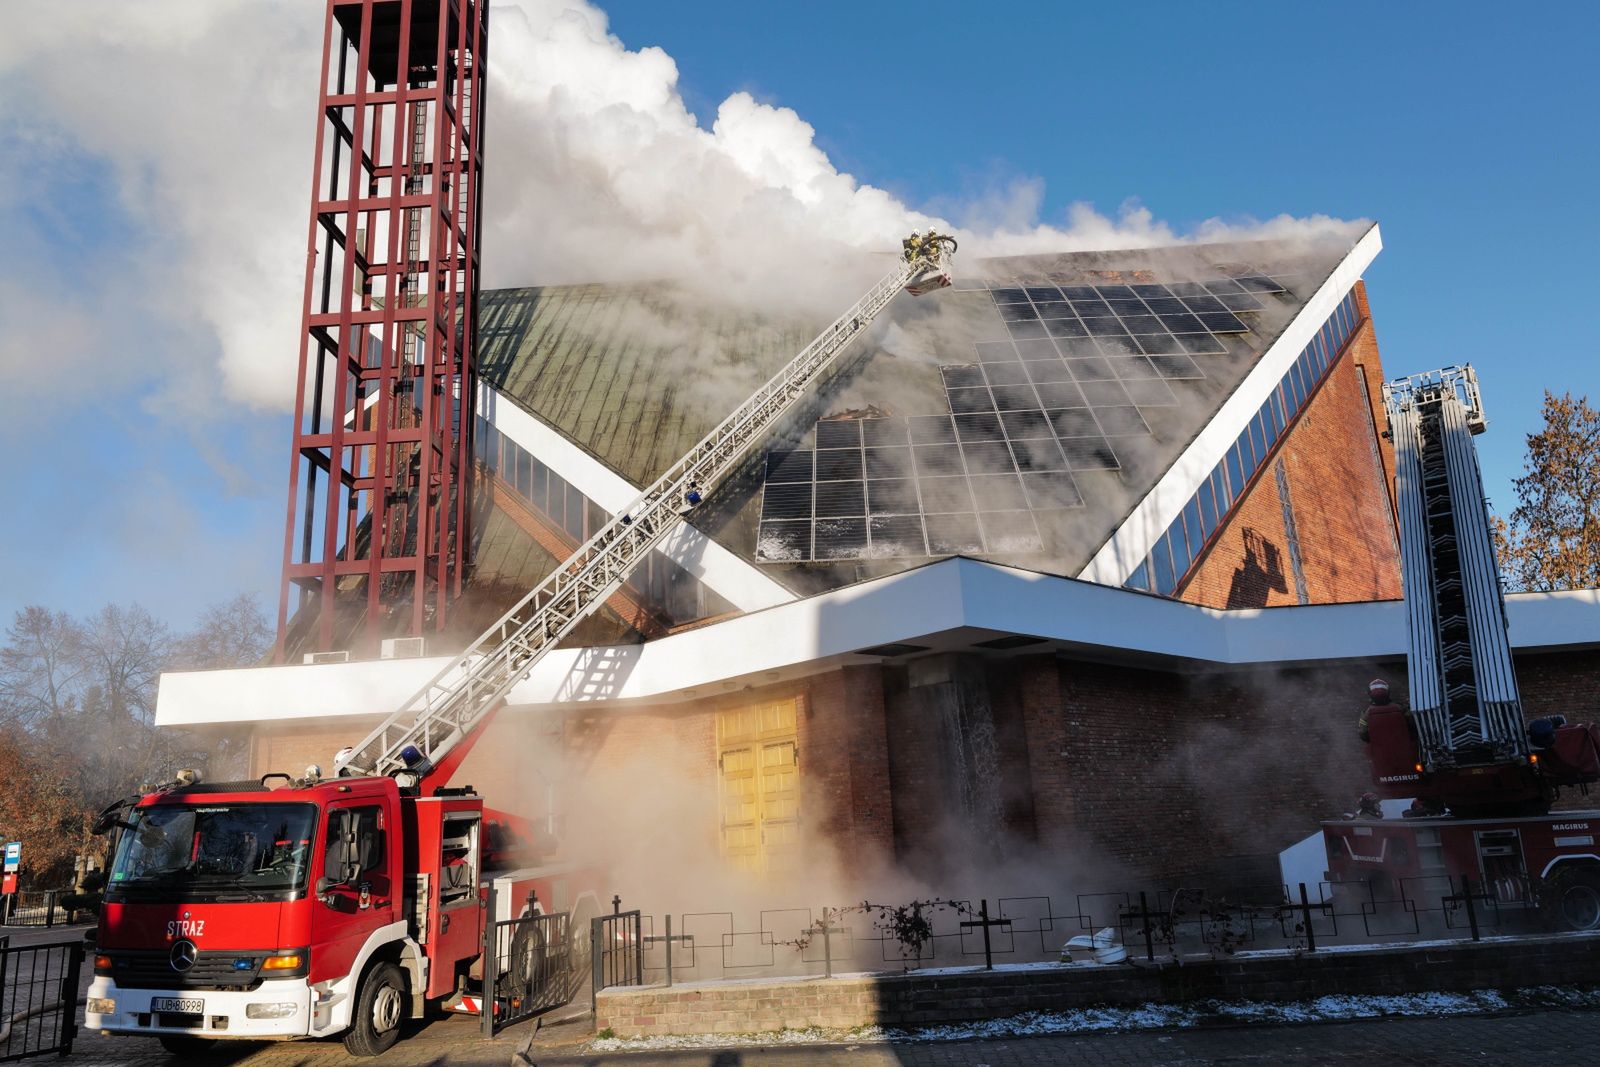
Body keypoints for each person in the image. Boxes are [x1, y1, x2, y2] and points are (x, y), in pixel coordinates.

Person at [1357, 677, 1401, 743]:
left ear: (1370, 695)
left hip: (1378, 749)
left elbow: (1363, 734)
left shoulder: (1367, 713)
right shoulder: (1399, 709)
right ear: (1388, 693)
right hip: (1401, 747)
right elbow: (1411, 727)